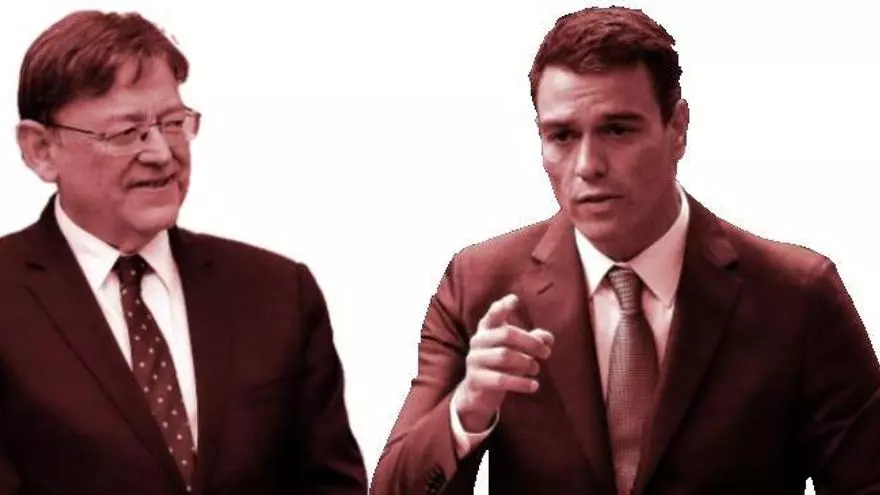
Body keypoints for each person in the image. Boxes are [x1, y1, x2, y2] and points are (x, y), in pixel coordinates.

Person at [371, 6, 880, 495]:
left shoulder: (798, 296)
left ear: (677, 128)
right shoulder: (479, 285)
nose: (587, 165)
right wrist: (465, 411)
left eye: (617, 130)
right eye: (562, 135)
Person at [0, 10, 367, 494]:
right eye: (126, 132)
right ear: (41, 150)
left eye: (173, 123)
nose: (161, 153)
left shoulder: (278, 293)